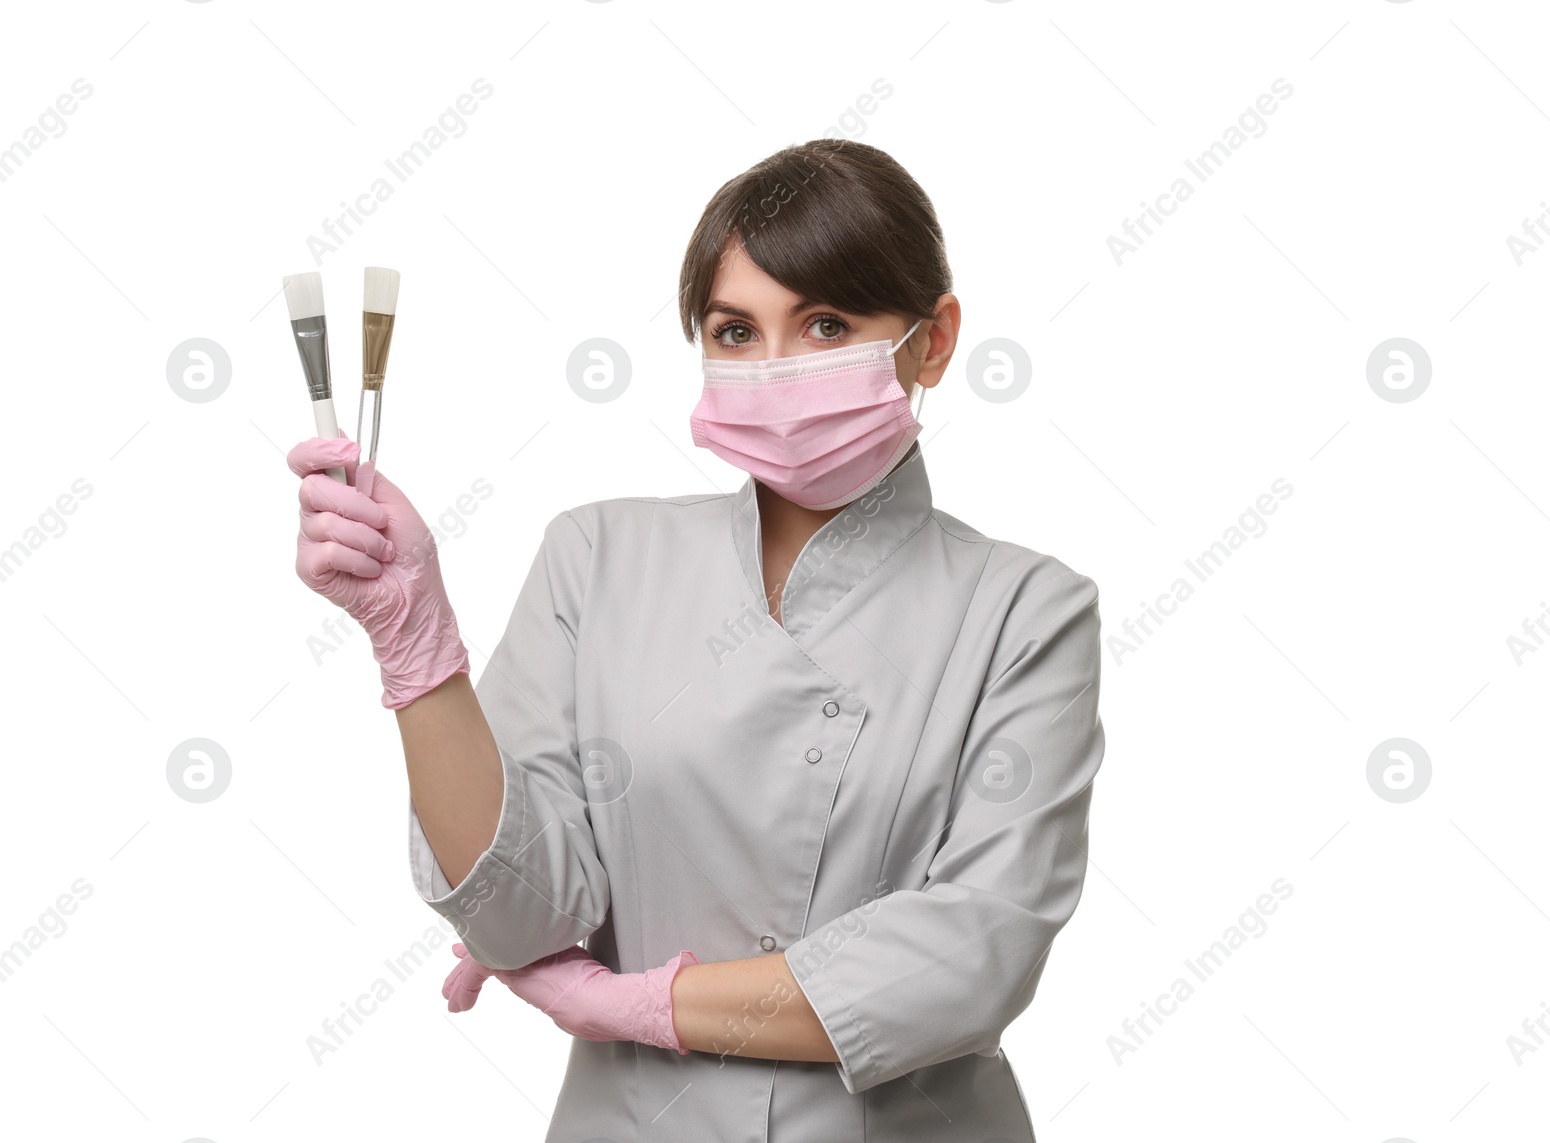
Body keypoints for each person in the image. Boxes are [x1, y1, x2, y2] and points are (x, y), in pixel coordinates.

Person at [287, 138, 1105, 1142]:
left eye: (824, 324)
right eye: (734, 330)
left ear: (932, 339)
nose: (774, 370)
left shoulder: (1025, 610)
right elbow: (517, 914)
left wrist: (634, 1006)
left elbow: (974, 954)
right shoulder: (598, 556)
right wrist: (417, 649)